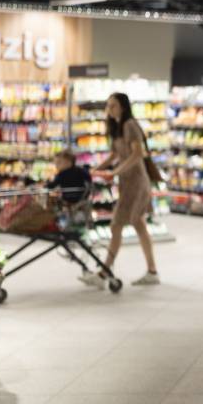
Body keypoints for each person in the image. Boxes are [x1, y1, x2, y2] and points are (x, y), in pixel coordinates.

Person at [82, 92, 159, 287]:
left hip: (137, 181)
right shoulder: (116, 127)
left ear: (123, 107)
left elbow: (137, 154)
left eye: (113, 105)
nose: (109, 109)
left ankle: (105, 272)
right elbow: (115, 154)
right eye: (108, 106)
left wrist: (115, 171)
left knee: (118, 224)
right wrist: (97, 169)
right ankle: (150, 271)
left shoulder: (130, 125)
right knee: (134, 224)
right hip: (127, 182)